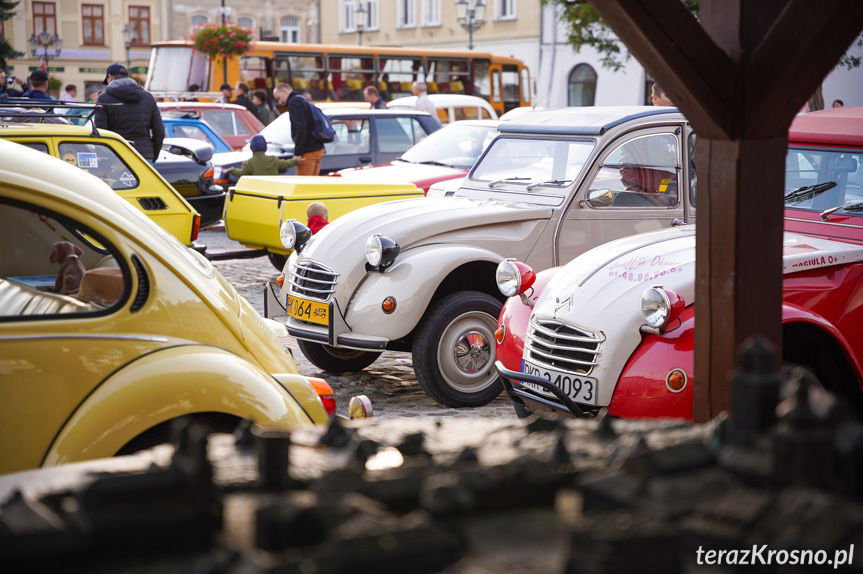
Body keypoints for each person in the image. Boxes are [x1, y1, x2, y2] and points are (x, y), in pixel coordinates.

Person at [93, 64, 165, 163]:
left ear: (110, 77)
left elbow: (101, 132)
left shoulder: (104, 98)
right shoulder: (148, 97)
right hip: (144, 155)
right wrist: (153, 155)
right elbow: (159, 132)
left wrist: (104, 157)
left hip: (116, 155)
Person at [274, 82, 326, 176]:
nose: (280, 102)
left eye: (278, 98)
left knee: (303, 185)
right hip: (318, 149)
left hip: (307, 152)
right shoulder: (302, 100)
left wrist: (297, 153)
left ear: (284, 91)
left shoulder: (294, 102)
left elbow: (301, 128)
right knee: (312, 186)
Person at [228, 135, 303, 177]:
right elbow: (286, 164)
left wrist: (232, 170)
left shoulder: (249, 163)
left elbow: (241, 173)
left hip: (257, 191)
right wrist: (295, 160)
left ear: (251, 147)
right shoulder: (273, 160)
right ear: (265, 147)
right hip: (271, 189)